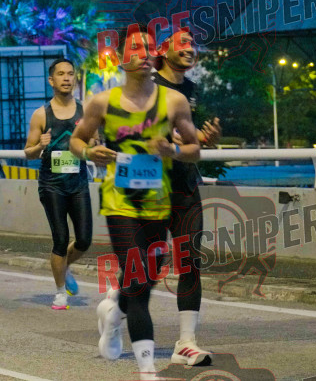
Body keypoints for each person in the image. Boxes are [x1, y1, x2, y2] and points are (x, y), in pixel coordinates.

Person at [71, 28, 201, 379]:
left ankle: (114, 316)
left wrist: (173, 150)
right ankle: (148, 370)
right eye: (136, 48)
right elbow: (76, 140)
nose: (144, 53)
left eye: (149, 47)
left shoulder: (174, 101)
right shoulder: (102, 102)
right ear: (121, 58)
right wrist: (89, 152)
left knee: (148, 278)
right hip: (119, 203)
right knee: (138, 280)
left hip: (158, 203)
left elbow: (194, 150)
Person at [152, 27, 221, 366]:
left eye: (193, 44)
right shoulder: (147, 87)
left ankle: (186, 342)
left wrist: (204, 139)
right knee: (147, 265)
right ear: (163, 49)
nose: (190, 48)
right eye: (182, 43)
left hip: (186, 186)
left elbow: (191, 138)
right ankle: (116, 306)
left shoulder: (191, 89)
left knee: (190, 260)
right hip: (151, 188)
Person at [24, 58, 93, 310]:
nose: (66, 78)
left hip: (78, 183)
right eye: (61, 74)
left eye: (70, 74)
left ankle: (65, 267)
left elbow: (93, 142)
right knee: (61, 239)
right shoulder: (41, 114)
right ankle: (60, 293)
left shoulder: (86, 111)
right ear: (51, 80)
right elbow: (28, 152)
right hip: (52, 185)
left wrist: (92, 144)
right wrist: (40, 146)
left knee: (84, 240)